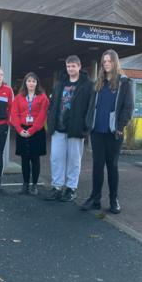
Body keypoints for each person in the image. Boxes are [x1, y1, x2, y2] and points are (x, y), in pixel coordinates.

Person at [81, 49, 134, 214]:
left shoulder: (124, 83)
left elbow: (128, 107)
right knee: (97, 166)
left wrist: (120, 126)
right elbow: (91, 106)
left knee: (112, 166)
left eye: (109, 61)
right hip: (97, 131)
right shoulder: (98, 83)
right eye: (104, 62)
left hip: (114, 133)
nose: (106, 64)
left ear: (115, 62)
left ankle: (113, 199)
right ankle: (95, 199)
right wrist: (88, 124)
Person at [45, 55, 94, 202]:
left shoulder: (87, 85)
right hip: (59, 128)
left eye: (73, 66)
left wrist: (85, 127)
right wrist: (50, 120)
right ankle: (57, 187)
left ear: (79, 66)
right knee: (56, 158)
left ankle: (71, 189)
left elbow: (90, 108)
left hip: (76, 129)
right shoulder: (60, 83)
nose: (70, 68)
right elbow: (53, 103)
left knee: (74, 160)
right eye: (68, 66)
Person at [11, 72, 49, 195]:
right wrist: (20, 130)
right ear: (25, 83)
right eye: (29, 81)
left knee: (35, 158)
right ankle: (25, 184)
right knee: (24, 159)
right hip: (22, 130)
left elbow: (42, 116)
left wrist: (31, 130)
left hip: (36, 131)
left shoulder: (43, 97)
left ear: (37, 83)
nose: (31, 83)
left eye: (33, 81)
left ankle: (34, 185)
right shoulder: (18, 97)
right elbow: (14, 114)